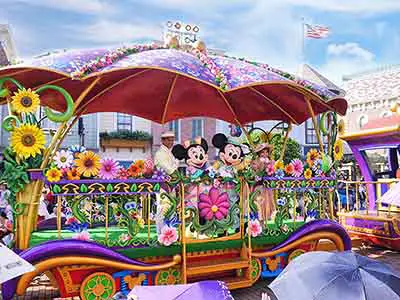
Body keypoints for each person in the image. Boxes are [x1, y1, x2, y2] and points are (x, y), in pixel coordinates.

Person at [154, 131, 179, 234]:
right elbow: (169, 169)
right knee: (163, 208)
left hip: (171, 184)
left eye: (172, 140)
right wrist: (177, 172)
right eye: (169, 140)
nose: (171, 142)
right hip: (162, 185)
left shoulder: (169, 153)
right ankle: (161, 233)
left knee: (172, 208)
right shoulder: (160, 153)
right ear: (163, 140)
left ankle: (170, 232)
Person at [253, 143, 276, 223]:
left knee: (267, 205)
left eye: (266, 152)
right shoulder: (256, 162)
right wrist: (263, 166)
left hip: (267, 187)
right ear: (259, 153)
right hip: (259, 186)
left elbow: (273, 172)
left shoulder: (270, 161)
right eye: (262, 152)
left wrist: (270, 167)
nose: (265, 154)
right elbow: (256, 173)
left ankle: (264, 224)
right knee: (259, 205)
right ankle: (258, 223)